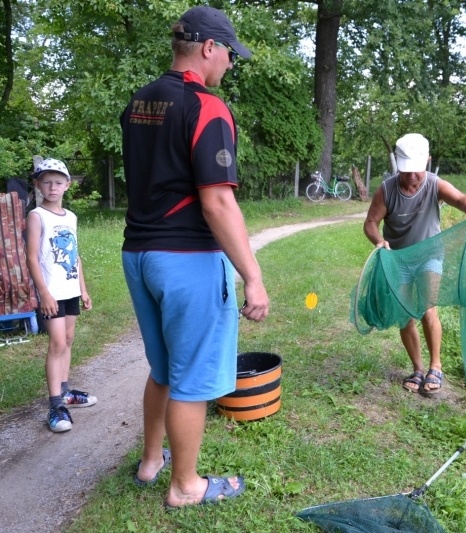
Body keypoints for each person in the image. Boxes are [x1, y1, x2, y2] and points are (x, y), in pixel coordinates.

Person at [120, 6, 269, 509]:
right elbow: (218, 201)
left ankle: (150, 460)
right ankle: (186, 485)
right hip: (186, 257)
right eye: (229, 54)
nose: (229, 63)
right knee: (192, 375)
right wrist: (253, 276)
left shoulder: (140, 101)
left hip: (139, 255)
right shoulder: (207, 106)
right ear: (209, 47)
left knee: (162, 368)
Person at [363, 133, 466, 395]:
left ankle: (436, 366)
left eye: (416, 170)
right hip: (398, 259)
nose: (411, 177)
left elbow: (460, 200)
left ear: (427, 162)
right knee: (406, 315)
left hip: (430, 255)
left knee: (428, 308)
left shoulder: (434, 184)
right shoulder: (386, 190)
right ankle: (418, 368)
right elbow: (371, 222)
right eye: (405, 171)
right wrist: (378, 240)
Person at [25, 158, 94, 433]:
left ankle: (65, 393)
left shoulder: (71, 217)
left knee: (67, 339)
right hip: (51, 292)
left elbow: (75, 256)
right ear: (37, 185)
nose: (52, 187)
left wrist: (83, 289)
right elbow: (31, 258)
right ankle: (55, 407)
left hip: (70, 290)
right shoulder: (36, 216)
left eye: (58, 182)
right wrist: (44, 293)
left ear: (67, 185)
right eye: (46, 182)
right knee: (56, 343)